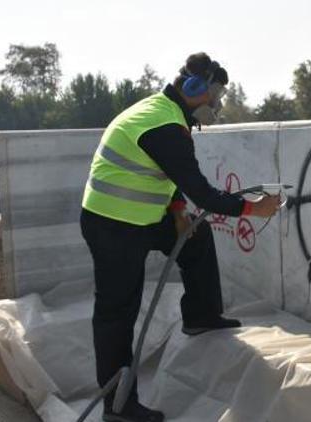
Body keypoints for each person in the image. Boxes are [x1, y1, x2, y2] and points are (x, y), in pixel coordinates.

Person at [80, 52, 279, 422]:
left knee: (195, 236)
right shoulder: (166, 128)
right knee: (117, 314)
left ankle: (201, 315)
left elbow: (160, 173)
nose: (216, 105)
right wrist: (256, 209)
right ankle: (119, 407)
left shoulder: (166, 113)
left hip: (142, 217)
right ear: (193, 88)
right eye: (214, 96)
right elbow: (204, 194)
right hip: (113, 225)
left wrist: (176, 212)